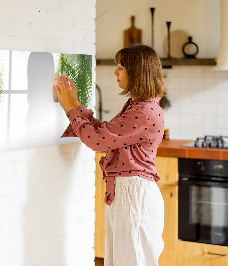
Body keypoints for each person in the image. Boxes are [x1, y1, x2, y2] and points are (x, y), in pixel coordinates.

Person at [54, 44, 166, 266]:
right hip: (129, 193)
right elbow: (105, 133)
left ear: (137, 72)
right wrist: (75, 103)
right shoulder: (139, 106)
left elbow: (97, 141)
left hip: (134, 195)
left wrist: (69, 108)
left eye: (121, 67)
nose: (115, 72)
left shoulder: (143, 111)